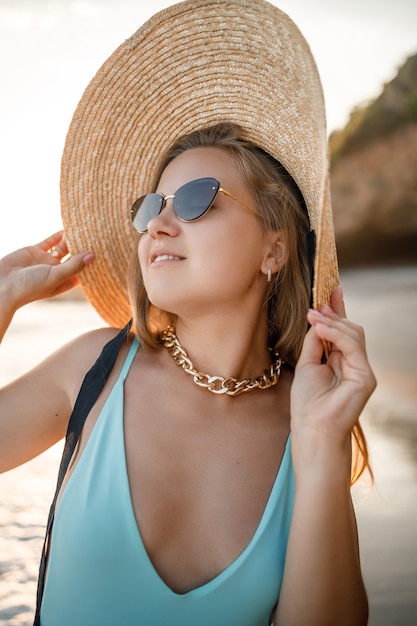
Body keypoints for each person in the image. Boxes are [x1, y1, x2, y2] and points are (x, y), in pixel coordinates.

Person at [0, 1, 376, 625]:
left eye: (197, 199)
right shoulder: (94, 370)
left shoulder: (307, 424)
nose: (159, 226)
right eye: (150, 209)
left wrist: (321, 441)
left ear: (275, 247)